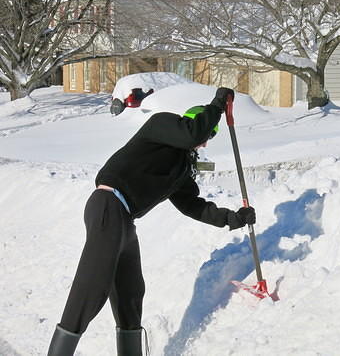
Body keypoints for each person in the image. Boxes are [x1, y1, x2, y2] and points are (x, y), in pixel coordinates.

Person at [47, 87, 256, 355]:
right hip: (108, 205)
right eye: (206, 134)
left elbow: (193, 206)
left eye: (209, 138)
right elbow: (193, 132)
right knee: (92, 287)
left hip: (124, 220)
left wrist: (233, 218)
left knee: (131, 294)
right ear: (192, 120)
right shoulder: (161, 124)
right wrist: (217, 106)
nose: (204, 143)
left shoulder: (180, 170)